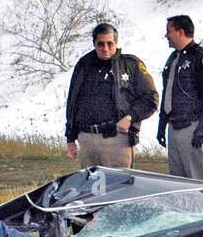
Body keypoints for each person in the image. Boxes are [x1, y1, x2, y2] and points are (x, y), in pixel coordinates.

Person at [65, 23, 159, 168]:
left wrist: (129, 118)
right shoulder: (84, 65)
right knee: (91, 189)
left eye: (110, 44)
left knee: (120, 188)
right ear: (94, 44)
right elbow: (73, 102)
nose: (105, 49)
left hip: (117, 139)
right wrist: (70, 138)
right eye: (100, 44)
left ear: (116, 42)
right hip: (87, 140)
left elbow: (150, 99)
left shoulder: (130, 65)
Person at [156, 15, 203, 180]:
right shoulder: (173, 58)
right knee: (177, 180)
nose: (166, 36)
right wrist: (162, 124)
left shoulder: (202, 58)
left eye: (169, 31)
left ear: (180, 32)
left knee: (197, 179)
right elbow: (167, 92)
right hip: (174, 126)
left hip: (192, 127)